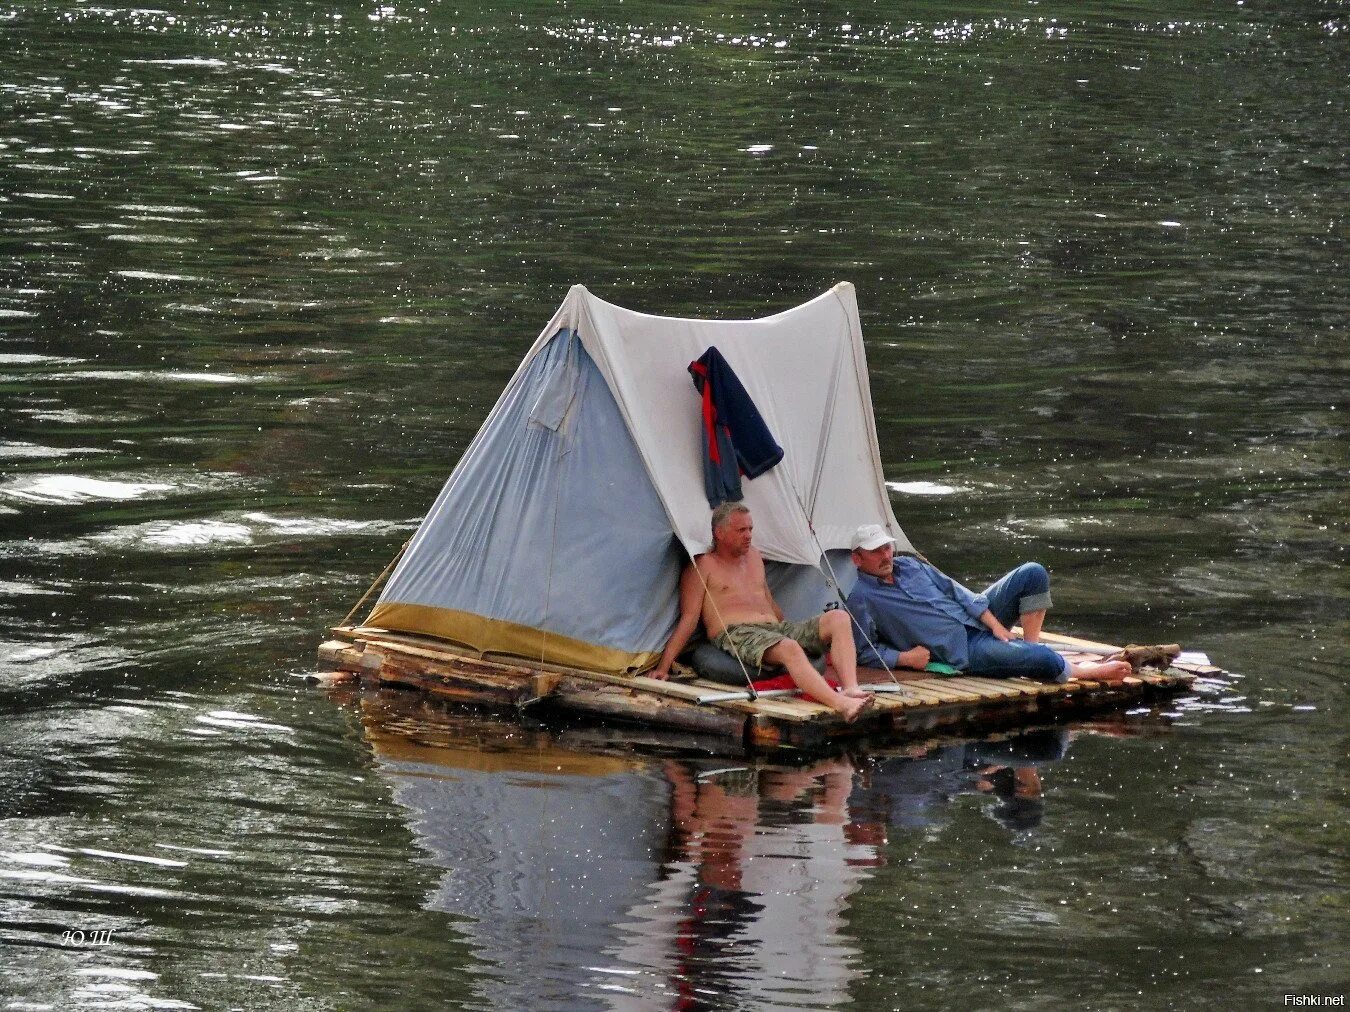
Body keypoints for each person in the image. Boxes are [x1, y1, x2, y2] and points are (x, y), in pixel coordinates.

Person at [650, 503, 875, 721]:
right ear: (719, 533)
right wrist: (663, 666)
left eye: (750, 529)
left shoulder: (754, 557)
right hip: (738, 633)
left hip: (773, 629)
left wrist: (792, 630)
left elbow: (767, 601)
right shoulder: (702, 567)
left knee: (839, 618)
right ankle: (841, 705)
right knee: (789, 647)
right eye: (741, 530)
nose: (748, 535)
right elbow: (688, 620)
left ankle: (851, 689)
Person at [844, 524, 1133, 683]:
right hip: (962, 648)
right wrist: (905, 659)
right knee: (1042, 658)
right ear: (858, 559)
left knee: (1032, 573)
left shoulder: (909, 565)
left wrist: (994, 624)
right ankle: (1079, 671)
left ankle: (1029, 647)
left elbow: (958, 592)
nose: (886, 556)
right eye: (875, 551)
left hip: (979, 619)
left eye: (886, 547)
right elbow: (864, 652)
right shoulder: (861, 598)